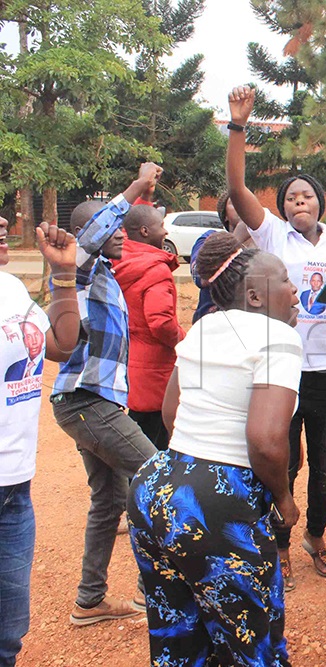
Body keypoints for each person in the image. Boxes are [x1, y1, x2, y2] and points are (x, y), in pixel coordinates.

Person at [127, 231, 303, 666]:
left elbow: (172, 413)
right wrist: (283, 497)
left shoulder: (205, 326)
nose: (294, 288)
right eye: (283, 279)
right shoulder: (277, 338)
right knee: (250, 647)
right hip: (219, 503)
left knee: (179, 639)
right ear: (255, 297)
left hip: (158, 487)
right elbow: (265, 441)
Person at [227, 84, 326, 585]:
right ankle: (279, 546)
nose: (300, 201)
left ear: (321, 204)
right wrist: (239, 126)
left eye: (308, 195)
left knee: (325, 467)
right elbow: (237, 191)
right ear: (283, 207)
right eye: (292, 197)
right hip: (282, 371)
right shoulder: (273, 234)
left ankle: (315, 535)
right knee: (283, 460)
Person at [50, 163, 162, 626]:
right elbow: (94, 236)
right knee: (158, 472)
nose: (120, 232)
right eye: (113, 224)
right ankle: (150, 588)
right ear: (82, 234)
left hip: (93, 403)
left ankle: (90, 600)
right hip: (83, 403)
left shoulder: (106, 275)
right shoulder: (78, 267)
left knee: (109, 500)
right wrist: (136, 187)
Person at [1, 216, 80, 666]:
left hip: (15, 490)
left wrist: (64, 277)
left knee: (9, 634)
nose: (5, 221)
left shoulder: (10, 289)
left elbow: (63, 343)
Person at [112, 204, 186, 451]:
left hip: (130, 360)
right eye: (160, 226)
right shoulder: (155, 269)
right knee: (156, 444)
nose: (165, 232)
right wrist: (183, 340)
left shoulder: (120, 260)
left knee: (138, 433)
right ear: (144, 231)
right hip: (154, 370)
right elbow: (161, 321)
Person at [190, 191, 255, 324]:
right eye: (234, 202)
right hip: (212, 327)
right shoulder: (209, 238)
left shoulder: (267, 243)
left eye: (246, 201)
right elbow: (200, 276)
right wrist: (235, 239)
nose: (241, 206)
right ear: (224, 215)